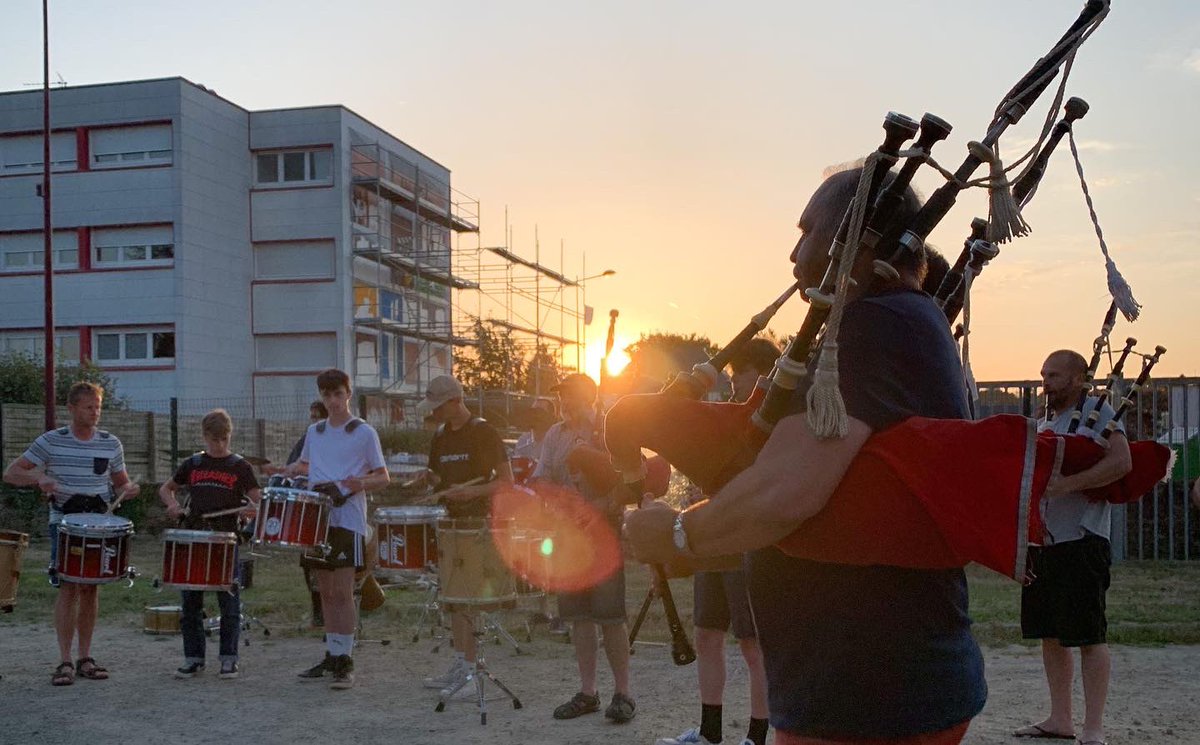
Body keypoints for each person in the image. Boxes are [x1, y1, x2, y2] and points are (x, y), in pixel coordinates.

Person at [626, 165, 987, 744]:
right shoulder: (902, 320)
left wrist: (676, 536)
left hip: (867, 694)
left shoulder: (876, 323)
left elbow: (786, 490)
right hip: (877, 681)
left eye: (808, 229)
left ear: (854, 238)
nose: (795, 251)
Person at [658, 337, 778, 745]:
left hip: (747, 541)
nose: (732, 385)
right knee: (707, 633)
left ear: (761, 374)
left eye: (738, 376)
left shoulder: (775, 418)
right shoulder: (728, 414)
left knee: (751, 643)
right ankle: (710, 734)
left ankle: (757, 738)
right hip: (713, 539)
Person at [1014, 350, 1132, 745]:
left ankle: (1093, 727)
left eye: (1055, 375)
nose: (1046, 381)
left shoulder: (1098, 412)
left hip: (1082, 539)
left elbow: (1121, 462)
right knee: (1051, 633)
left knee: (1088, 636)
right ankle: (1060, 718)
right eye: (1043, 373)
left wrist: (1067, 486)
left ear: (1079, 378)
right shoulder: (1047, 420)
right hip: (1045, 540)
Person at [3, 382, 140, 686]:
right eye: (89, 407)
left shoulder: (110, 443)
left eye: (98, 407)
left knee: (91, 588)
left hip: (100, 525)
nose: (95, 412)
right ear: (72, 408)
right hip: (65, 524)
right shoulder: (51, 441)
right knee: (69, 588)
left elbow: (121, 484)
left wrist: (129, 490)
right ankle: (64, 661)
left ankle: (85, 658)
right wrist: (39, 477)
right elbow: (11, 472)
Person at [534, 372, 636, 724]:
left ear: (588, 398)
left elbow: (629, 482)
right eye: (562, 395)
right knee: (578, 618)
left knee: (610, 617)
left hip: (603, 533)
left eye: (571, 395)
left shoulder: (609, 431)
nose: (565, 401)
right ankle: (588, 692)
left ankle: (623, 693)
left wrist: (599, 508)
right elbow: (541, 477)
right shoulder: (554, 434)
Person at [285, 368, 390, 689]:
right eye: (326, 395)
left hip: (348, 519)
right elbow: (306, 466)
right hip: (316, 519)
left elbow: (383, 476)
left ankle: (345, 661)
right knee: (324, 591)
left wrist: (353, 484)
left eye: (338, 394)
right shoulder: (314, 432)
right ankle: (332, 653)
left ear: (348, 393)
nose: (332, 401)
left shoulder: (363, 432)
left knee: (343, 592)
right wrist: (287, 470)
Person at [416, 375, 514, 699]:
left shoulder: (483, 432)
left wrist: (471, 491)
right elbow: (440, 477)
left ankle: (472, 672)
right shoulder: (441, 436)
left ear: (455, 401)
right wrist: (429, 478)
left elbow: (506, 482)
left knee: (469, 598)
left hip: (478, 524)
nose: (434, 414)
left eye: (438, 407)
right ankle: (460, 664)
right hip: (451, 524)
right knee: (454, 599)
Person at [158, 409, 262, 680]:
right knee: (191, 601)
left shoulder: (240, 466)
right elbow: (166, 488)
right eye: (214, 440)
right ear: (204, 436)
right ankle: (193, 658)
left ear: (230, 435)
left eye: (224, 439)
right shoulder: (193, 464)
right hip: (194, 537)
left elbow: (258, 500)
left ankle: (229, 658)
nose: (219, 445)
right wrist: (172, 505)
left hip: (225, 540)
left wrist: (251, 510)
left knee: (228, 602)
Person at [266, 400, 329, 627]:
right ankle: (318, 611)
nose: (313, 421)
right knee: (309, 559)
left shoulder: (338, 438)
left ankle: (333, 611)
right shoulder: (308, 438)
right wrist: (282, 471)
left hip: (334, 507)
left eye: (317, 416)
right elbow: (295, 466)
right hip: (310, 506)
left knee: (331, 564)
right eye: (312, 416)